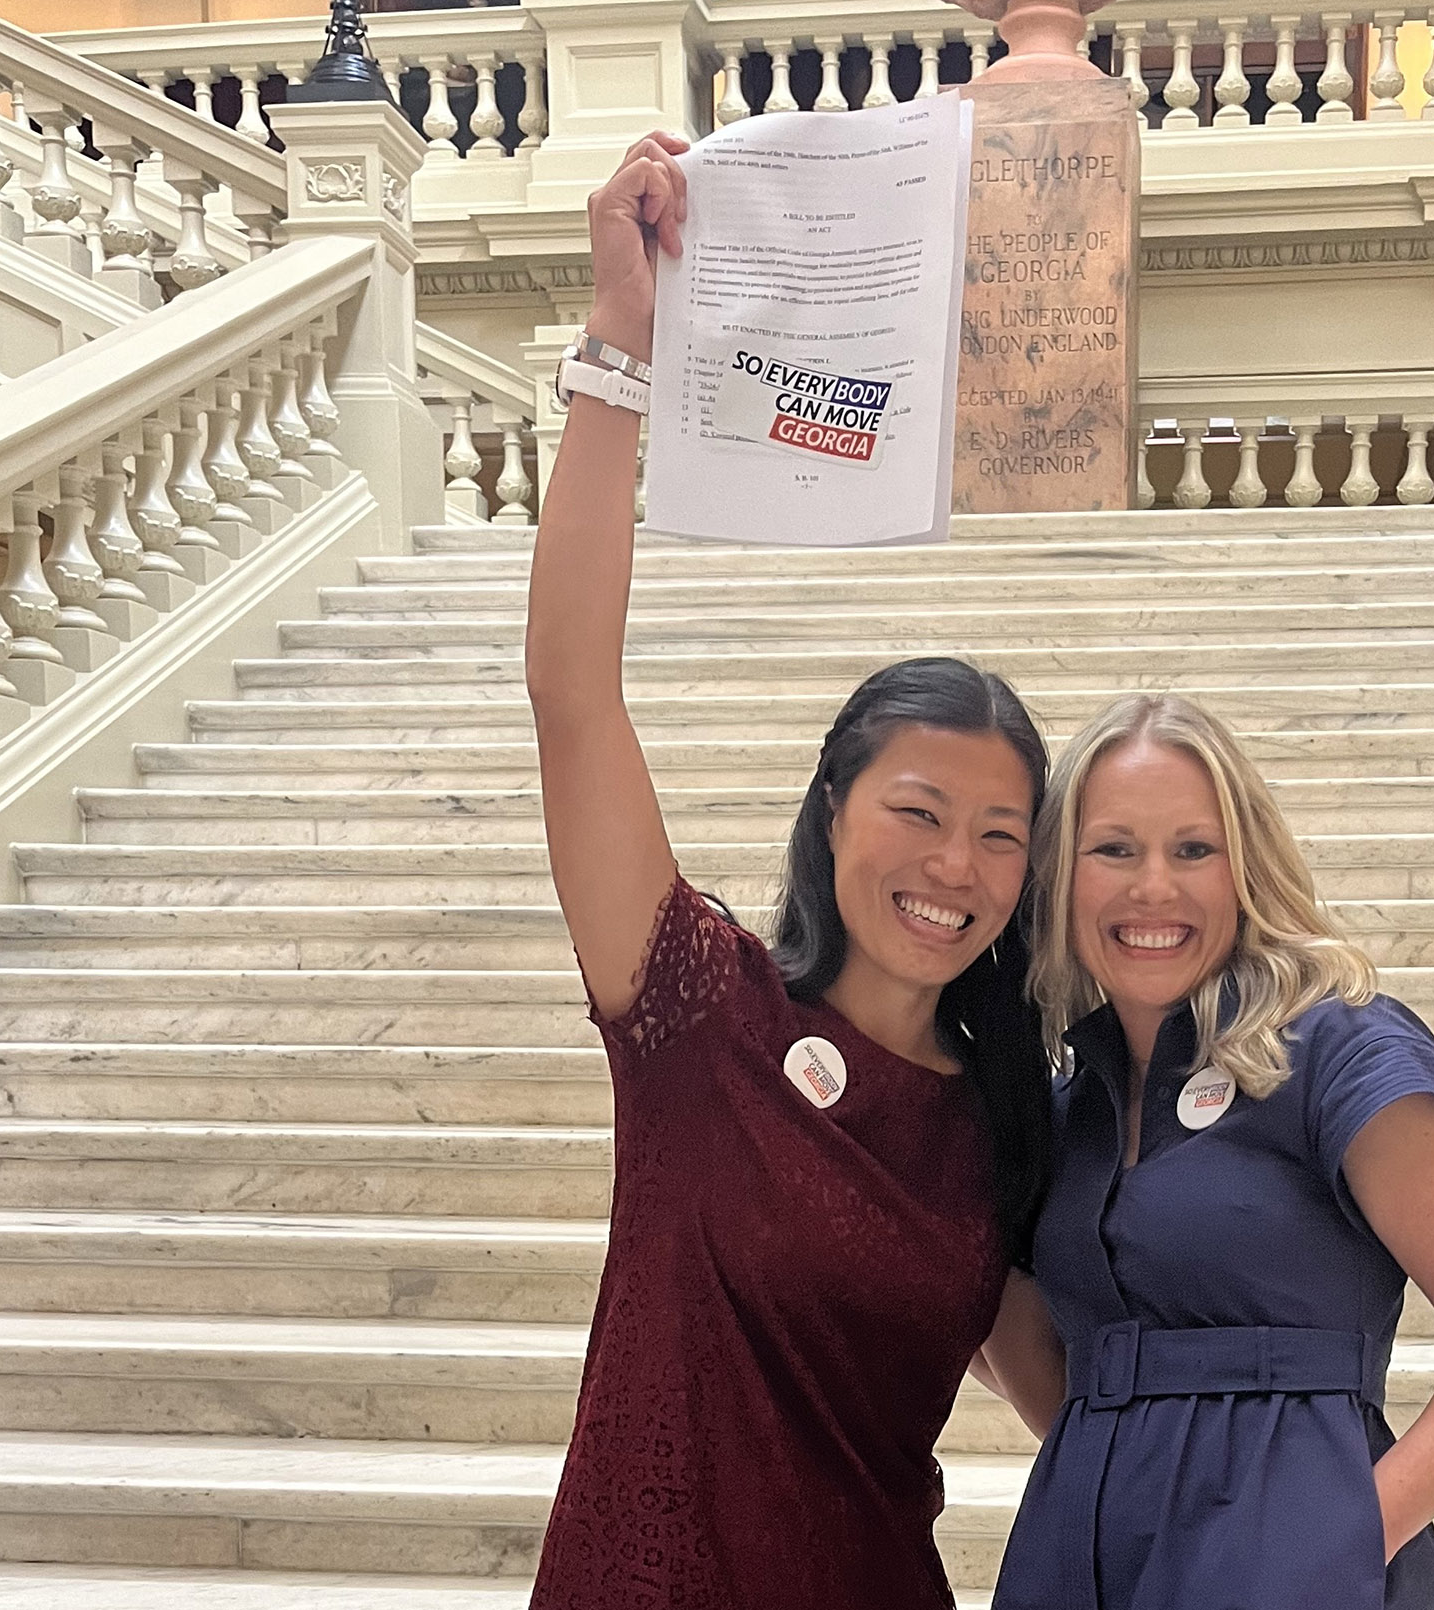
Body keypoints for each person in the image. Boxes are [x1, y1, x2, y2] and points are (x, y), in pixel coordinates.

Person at [524, 132, 1058, 1610]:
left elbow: (1079, 1404)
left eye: (1001, 832)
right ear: (832, 813)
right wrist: (619, 343)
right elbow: (573, 695)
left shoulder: (1002, 1123)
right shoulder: (702, 1011)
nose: (955, 863)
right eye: (919, 809)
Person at [986, 691, 1434, 1610]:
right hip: (1076, 1559)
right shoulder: (1064, 1109)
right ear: (1058, 875)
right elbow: (1027, 1344)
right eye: (1114, 850)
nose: (1153, 888)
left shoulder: (1344, 1050)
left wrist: (1338, 1544)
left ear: (1245, 865)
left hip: (1300, 1557)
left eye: (1194, 849)